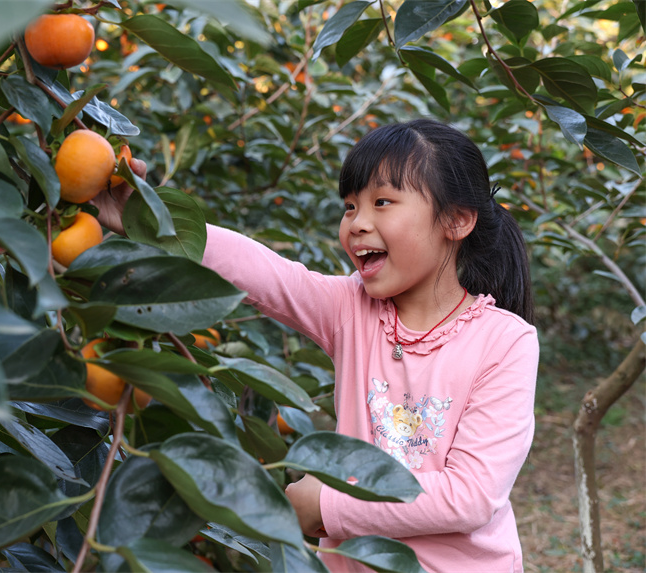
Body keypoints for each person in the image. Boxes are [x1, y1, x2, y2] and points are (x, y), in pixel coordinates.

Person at [94, 119, 539, 573]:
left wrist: (329, 507)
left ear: (456, 220)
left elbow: (470, 497)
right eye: (350, 206)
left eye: (382, 202)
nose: (358, 223)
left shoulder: (505, 342)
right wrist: (146, 218)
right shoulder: (352, 309)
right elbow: (267, 274)